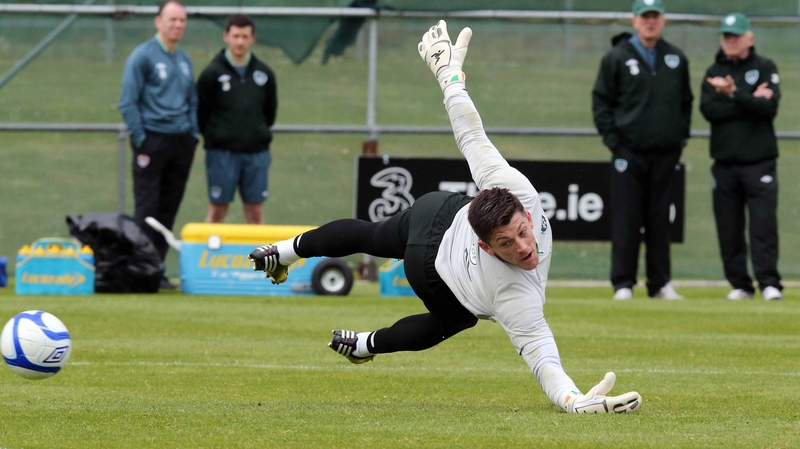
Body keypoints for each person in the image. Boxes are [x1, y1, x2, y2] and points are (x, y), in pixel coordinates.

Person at [248, 20, 642, 414]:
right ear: (486, 246)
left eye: (522, 232)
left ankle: (283, 252)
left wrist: (448, 74)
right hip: (432, 270)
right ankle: (365, 345)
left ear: (525, 211)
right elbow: (542, 358)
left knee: (372, 236)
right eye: (507, 243)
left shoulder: (516, 189)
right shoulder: (512, 293)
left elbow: (470, 133)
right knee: (454, 321)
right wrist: (572, 401)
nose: (524, 248)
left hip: (438, 212)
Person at [591, 0, 693, 301]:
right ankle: (623, 284)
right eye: (645, 17)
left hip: (665, 154)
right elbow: (601, 103)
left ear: (663, 20)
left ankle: (660, 284)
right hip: (629, 153)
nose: (650, 22)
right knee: (627, 219)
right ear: (634, 20)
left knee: (660, 221)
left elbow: (685, 103)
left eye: (655, 17)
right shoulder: (616, 57)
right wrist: (614, 142)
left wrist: (681, 138)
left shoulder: (676, 57)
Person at [700, 13, 783, 301]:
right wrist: (748, 98)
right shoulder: (713, 70)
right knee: (729, 229)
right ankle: (740, 285)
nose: (730, 41)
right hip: (724, 164)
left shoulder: (765, 67)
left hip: (759, 163)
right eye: (726, 36)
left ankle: (769, 283)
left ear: (749, 37)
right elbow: (710, 111)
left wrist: (733, 93)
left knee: (763, 226)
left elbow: (768, 109)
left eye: (736, 35)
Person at [118, 0, 198, 290]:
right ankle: (140, 271)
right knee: (147, 210)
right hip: (152, 140)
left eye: (182, 20)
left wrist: (192, 135)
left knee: (168, 210)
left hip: (181, 142)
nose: (177, 25)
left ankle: (157, 270)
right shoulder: (143, 56)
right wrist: (142, 139)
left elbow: (192, 101)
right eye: (172, 19)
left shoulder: (184, 59)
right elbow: (128, 101)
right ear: (158, 21)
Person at [197, 14, 278, 225]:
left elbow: (269, 113)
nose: (240, 41)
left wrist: (255, 132)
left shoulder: (264, 74)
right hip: (221, 153)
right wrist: (220, 135)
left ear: (252, 39)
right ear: (226, 37)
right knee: (218, 210)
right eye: (235, 36)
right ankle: (208, 257)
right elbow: (201, 113)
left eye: (245, 36)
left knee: (255, 211)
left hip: (256, 153)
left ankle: (261, 257)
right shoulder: (212, 73)